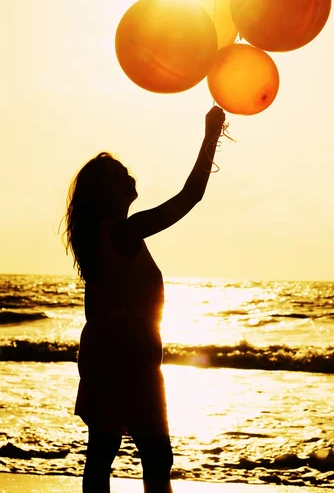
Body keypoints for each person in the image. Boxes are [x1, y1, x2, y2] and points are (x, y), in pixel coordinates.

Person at [63, 106, 226, 493]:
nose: (130, 177)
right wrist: (211, 136)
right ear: (108, 193)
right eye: (122, 177)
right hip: (127, 359)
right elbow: (190, 196)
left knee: (103, 451)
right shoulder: (124, 232)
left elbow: (97, 309)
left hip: (109, 353)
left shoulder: (101, 237)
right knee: (154, 456)